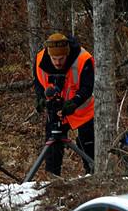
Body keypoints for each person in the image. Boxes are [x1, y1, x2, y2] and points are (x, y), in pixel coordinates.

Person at [33, 33, 94, 176]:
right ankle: (53, 179)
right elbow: (38, 84)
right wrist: (41, 99)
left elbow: (87, 87)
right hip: (55, 111)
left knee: (87, 142)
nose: (58, 62)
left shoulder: (83, 59)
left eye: (61, 59)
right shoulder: (40, 59)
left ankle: (92, 173)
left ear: (67, 54)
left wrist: (74, 103)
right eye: (54, 59)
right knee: (52, 146)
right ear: (49, 55)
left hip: (81, 110)